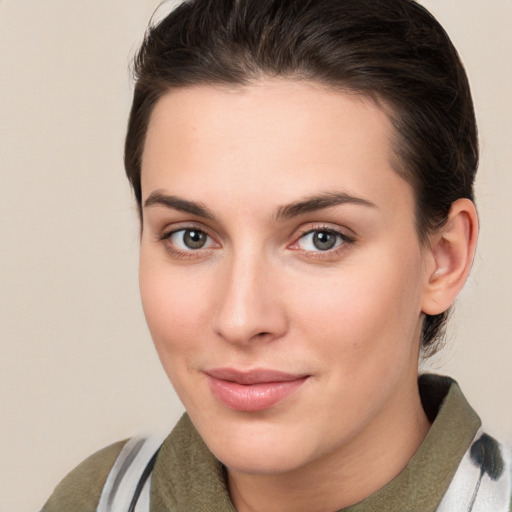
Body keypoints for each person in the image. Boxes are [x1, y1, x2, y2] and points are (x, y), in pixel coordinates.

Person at [41, 0, 511, 511]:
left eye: (321, 238)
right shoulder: (95, 500)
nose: (240, 319)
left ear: (443, 258)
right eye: (191, 237)